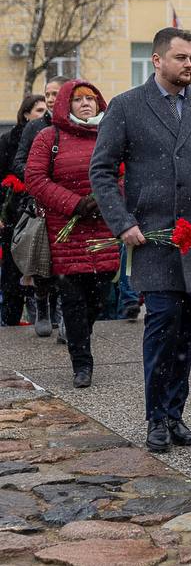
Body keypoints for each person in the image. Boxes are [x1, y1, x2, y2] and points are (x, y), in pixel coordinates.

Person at [90, 27, 191, 454]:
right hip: (153, 239)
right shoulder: (125, 107)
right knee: (161, 329)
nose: (189, 65)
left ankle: (176, 414)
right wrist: (122, 223)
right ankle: (155, 418)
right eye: (180, 57)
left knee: (188, 335)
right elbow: (101, 170)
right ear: (156, 60)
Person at [25, 80, 118, 388]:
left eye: (91, 98)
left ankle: (81, 338)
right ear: (67, 104)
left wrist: (105, 198)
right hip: (65, 232)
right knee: (74, 300)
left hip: (103, 229)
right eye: (78, 100)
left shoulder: (110, 133)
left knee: (100, 298)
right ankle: (82, 363)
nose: (86, 104)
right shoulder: (48, 136)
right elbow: (36, 179)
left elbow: (125, 174)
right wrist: (76, 204)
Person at [13, 76, 70, 336]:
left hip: (71, 204)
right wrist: (42, 178)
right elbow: (19, 163)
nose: (49, 98)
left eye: (55, 93)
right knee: (44, 260)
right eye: (47, 93)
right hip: (42, 204)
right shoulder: (35, 127)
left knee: (69, 263)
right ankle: (43, 306)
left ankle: (68, 317)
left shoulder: (77, 126)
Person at [0, 93, 47, 326]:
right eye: (39, 110)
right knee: (12, 271)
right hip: (14, 213)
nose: (43, 115)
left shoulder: (48, 136)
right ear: (26, 113)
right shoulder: (9, 140)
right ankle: (9, 321)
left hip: (38, 211)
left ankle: (38, 314)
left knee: (37, 265)